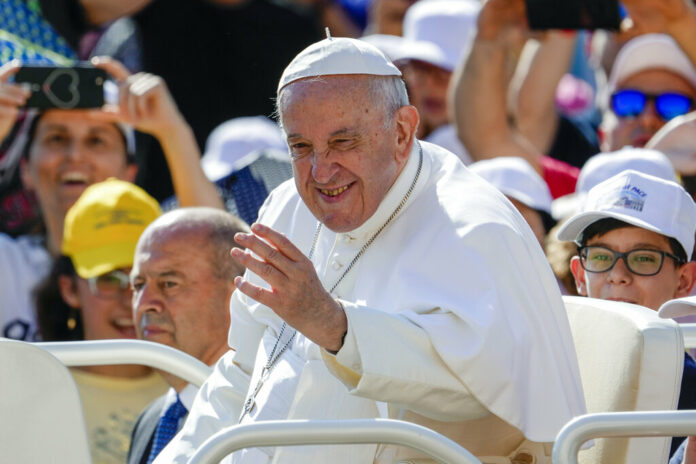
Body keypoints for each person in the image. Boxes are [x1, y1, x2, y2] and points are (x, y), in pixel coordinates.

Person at [154, 36, 585, 464]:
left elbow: (483, 387)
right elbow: (242, 369)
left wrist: (334, 325)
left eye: (343, 143)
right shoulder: (289, 205)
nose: (321, 172)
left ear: (401, 132)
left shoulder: (473, 225)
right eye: (301, 147)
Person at [0, 56, 222, 341]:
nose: (75, 156)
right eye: (57, 139)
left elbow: (216, 255)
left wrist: (173, 131)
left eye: (97, 140)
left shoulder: (159, 264)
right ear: (25, 168)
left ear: (130, 171)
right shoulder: (8, 267)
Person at [452, 0, 696, 198]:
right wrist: (489, 38)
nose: (647, 118)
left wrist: (681, 21)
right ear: (603, 130)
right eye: (628, 103)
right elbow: (488, 140)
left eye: (673, 106)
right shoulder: (580, 195)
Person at [557, 169, 696, 456]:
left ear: (684, 281)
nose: (618, 275)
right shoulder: (542, 366)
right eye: (601, 257)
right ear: (580, 275)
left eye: (644, 258)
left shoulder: (691, 387)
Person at [35, 178, 169, 464]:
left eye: (141, 280)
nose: (132, 300)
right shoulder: (29, 391)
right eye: (108, 279)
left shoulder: (199, 380)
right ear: (69, 289)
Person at [126, 207, 249, 464]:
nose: (145, 303)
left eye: (169, 283)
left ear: (237, 295)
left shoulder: (260, 415)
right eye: (138, 285)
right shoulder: (153, 418)